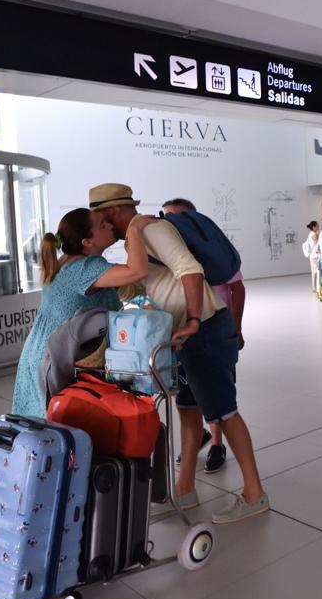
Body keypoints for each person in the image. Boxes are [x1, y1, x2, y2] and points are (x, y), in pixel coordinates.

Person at [90, 183, 267, 524]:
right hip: (180, 337)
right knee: (187, 410)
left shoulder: (154, 229)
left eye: (98, 220)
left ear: (111, 213)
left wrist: (195, 319)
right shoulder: (136, 238)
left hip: (204, 331)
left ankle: (255, 494)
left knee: (224, 413)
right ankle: (184, 489)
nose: (98, 228)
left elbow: (190, 269)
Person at [11, 208, 150, 417]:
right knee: (62, 425)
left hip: (42, 352)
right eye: (103, 225)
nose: (111, 226)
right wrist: (135, 229)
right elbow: (137, 270)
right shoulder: (86, 267)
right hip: (58, 357)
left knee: (43, 428)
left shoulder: (66, 262)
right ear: (87, 242)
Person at [162, 198, 243, 474]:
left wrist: (237, 327)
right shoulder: (171, 254)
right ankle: (199, 438)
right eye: (168, 217)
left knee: (217, 396)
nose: (172, 224)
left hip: (214, 329)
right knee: (186, 394)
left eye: (178, 218)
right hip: (185, 336)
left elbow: (237, 289)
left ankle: (217, 444)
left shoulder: (212, 254)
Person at [302, 220, 322, 301]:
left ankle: (314, 287)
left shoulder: (310, 234)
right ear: (313, 227)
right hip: (315, 256)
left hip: (312, 255)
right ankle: (317, 287)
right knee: (317, 272)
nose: (318, 227)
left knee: (314, 272)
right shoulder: (314, 234)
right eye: (317, 225)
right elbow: (319, 244)